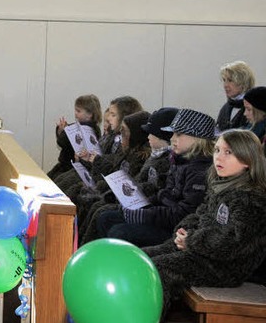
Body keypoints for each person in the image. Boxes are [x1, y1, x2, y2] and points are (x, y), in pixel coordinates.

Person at [143, 129, 266, 318]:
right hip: (202, 251)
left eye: (228, 152)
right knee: (142, 257)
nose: (219, 157)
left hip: (226, 266)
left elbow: (232, 241)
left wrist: (191, 240)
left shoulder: (251, 199)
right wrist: (185, 231)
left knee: (160, 269)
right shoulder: (222, 185)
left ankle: (149, 317)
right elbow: (199, 215)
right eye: (217, 150)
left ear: (248, 160)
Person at [97, 108, 215, 247]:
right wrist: (141, 207)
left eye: (178, 134)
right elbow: (165, 195)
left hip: (176, 230)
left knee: (119, 232)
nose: (172, 139)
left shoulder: (199, 171)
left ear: (197, 139)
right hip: (163, 218)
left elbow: (183, 214)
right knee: (106, 218)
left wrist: (144, 216)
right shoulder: (179, 160)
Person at [79, 107, 178, 245]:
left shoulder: (163, 160)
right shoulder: (152, 155)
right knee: (98, 209)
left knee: (105, 216)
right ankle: (82, 244)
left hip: (150, 213)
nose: (148, 136)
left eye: (151, 133)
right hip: (137, 204)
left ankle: (88, 248)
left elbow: (157, 192)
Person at [46, 94, 101, 181]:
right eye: (75, 110)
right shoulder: (92, 128)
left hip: (70, 167)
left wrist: (64, 131)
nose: (75, 113)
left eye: (78, 111)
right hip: (67, 166)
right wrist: (62, 131)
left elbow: (62, 142)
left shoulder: (85, 130)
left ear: (89, 114)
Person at [216, 61, 255, 132]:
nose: (225, 85)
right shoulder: (226, 107)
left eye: (230, 80)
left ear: (243, 82)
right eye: (224, 80)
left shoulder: (254, 107)